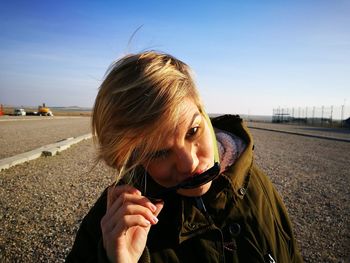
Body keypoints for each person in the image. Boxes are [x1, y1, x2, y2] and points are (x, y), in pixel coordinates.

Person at [66, 51, 303, 263]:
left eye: (193, 131)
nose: (189, 163)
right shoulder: (110, 225)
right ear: (131, 158)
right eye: (159, 152)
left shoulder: (254, 184)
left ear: (205, 114)